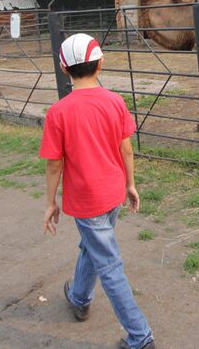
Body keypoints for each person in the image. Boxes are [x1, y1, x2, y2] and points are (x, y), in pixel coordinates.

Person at [40, 33, 155, 349]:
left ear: (64, 69)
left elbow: (54, 165)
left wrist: (50, 202)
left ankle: (140, 336)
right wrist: (130, 184)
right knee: (95, 245)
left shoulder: (58, 113)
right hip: (112, 193)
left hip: (86, 199)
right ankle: (79, 297)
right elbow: (126, 149)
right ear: (101, 63)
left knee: (109, 264)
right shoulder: (114, 101)